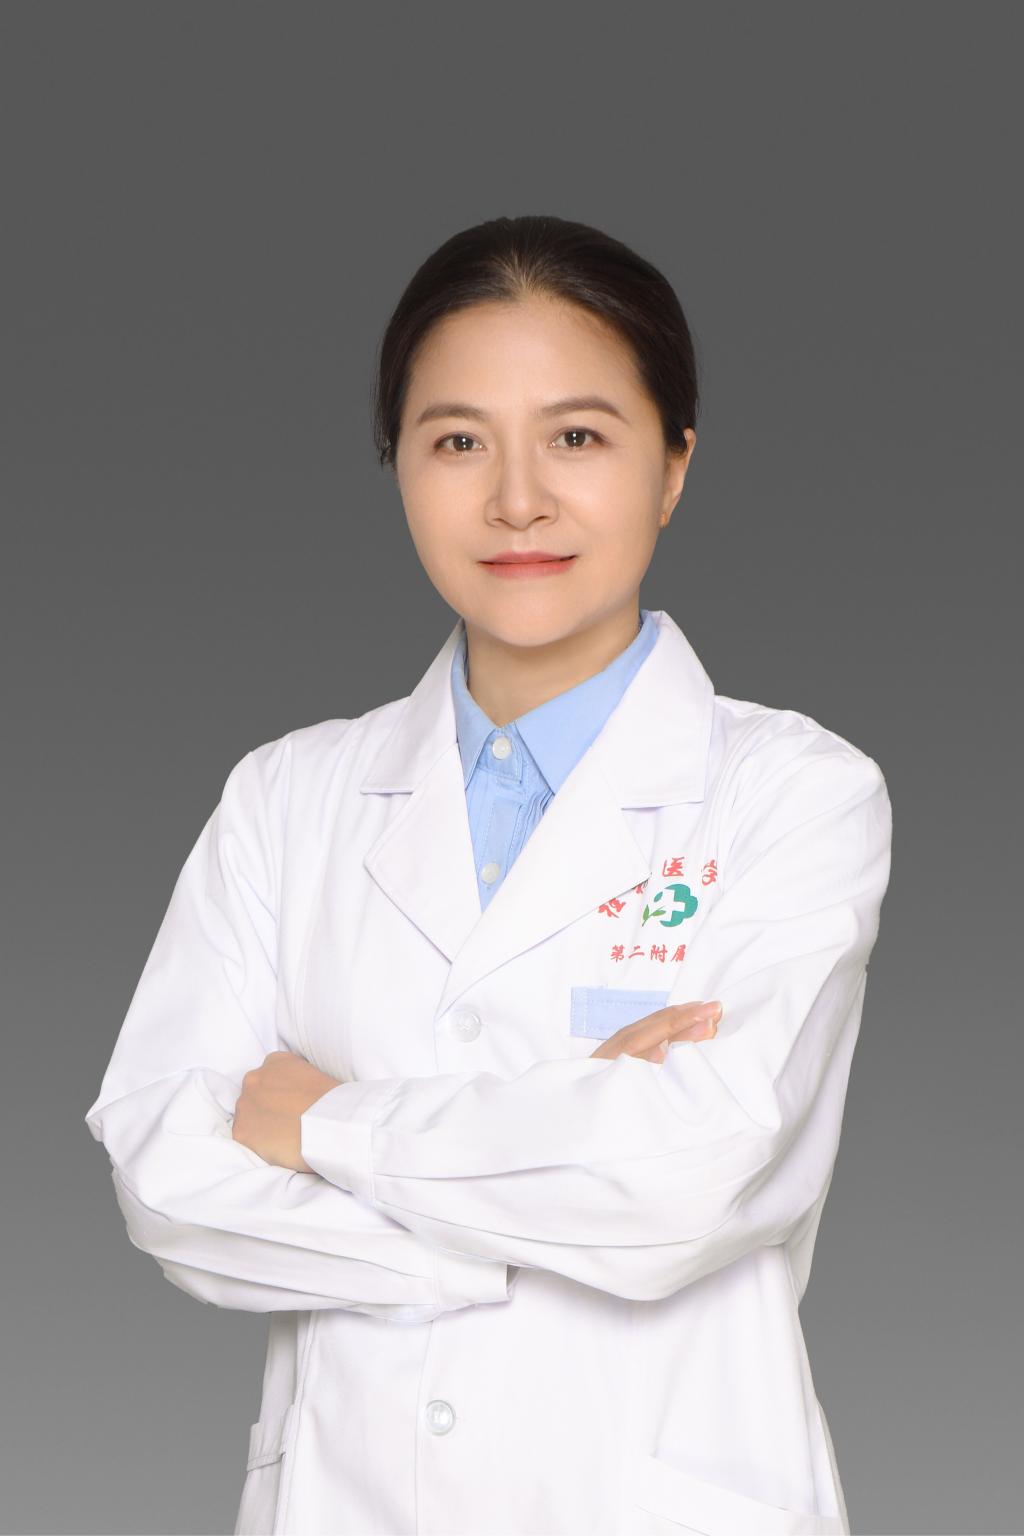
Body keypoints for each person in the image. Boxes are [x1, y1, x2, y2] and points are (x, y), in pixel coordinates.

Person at [84, 214, 893, 1536]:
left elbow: (697, 1171)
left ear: (675, 465)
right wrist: (560, 1184)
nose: (517, 499)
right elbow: (166, 1175)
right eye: (458, 441)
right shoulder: (287, 799)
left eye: (577, 437)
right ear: (397, 465)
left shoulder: (794, 793)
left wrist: (328, 1128)